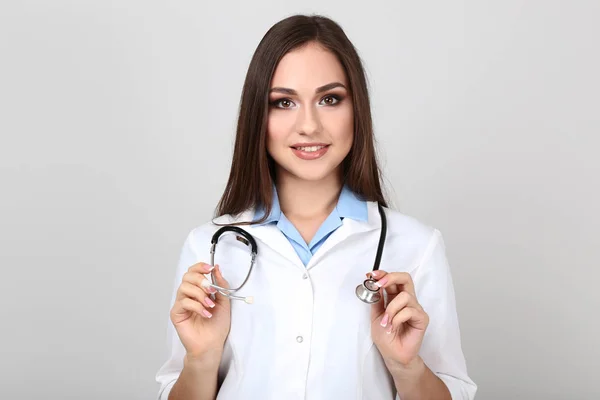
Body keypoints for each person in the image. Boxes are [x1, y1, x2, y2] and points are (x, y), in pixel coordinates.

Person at [155, 14, 477, 400]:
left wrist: (407, 367)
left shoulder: (416, 247)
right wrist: (202, 360)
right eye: (284, 102)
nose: (308, 125)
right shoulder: (210, 247)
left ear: (357, 109)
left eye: (329, 99)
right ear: (259, 115)